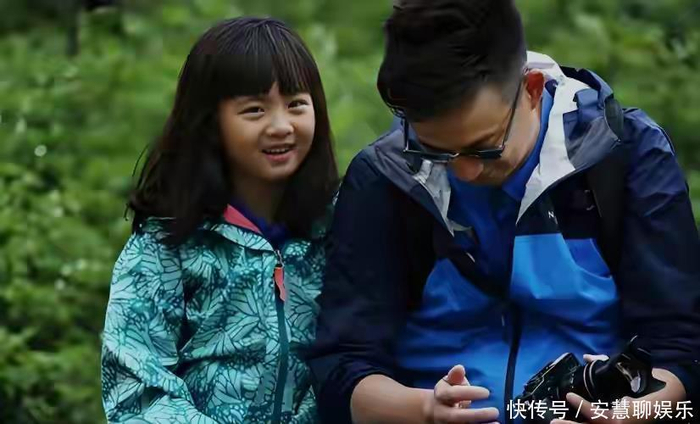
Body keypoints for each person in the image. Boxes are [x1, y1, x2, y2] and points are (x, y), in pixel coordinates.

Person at [307, 0, 700, 423]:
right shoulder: (385, 177)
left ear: (531, 89)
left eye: (484, 149)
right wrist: (422, 410)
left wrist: (628, 415)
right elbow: (344, 365)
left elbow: (680, 348)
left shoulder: (626, 156)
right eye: (434, 151)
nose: (465, 171)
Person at [100, 17, 338, 423]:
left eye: (296, 104)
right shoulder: (165, 245)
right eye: (255, 110)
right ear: (210, 121)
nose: (281, 126)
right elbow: (136, 392)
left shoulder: (339, 228)